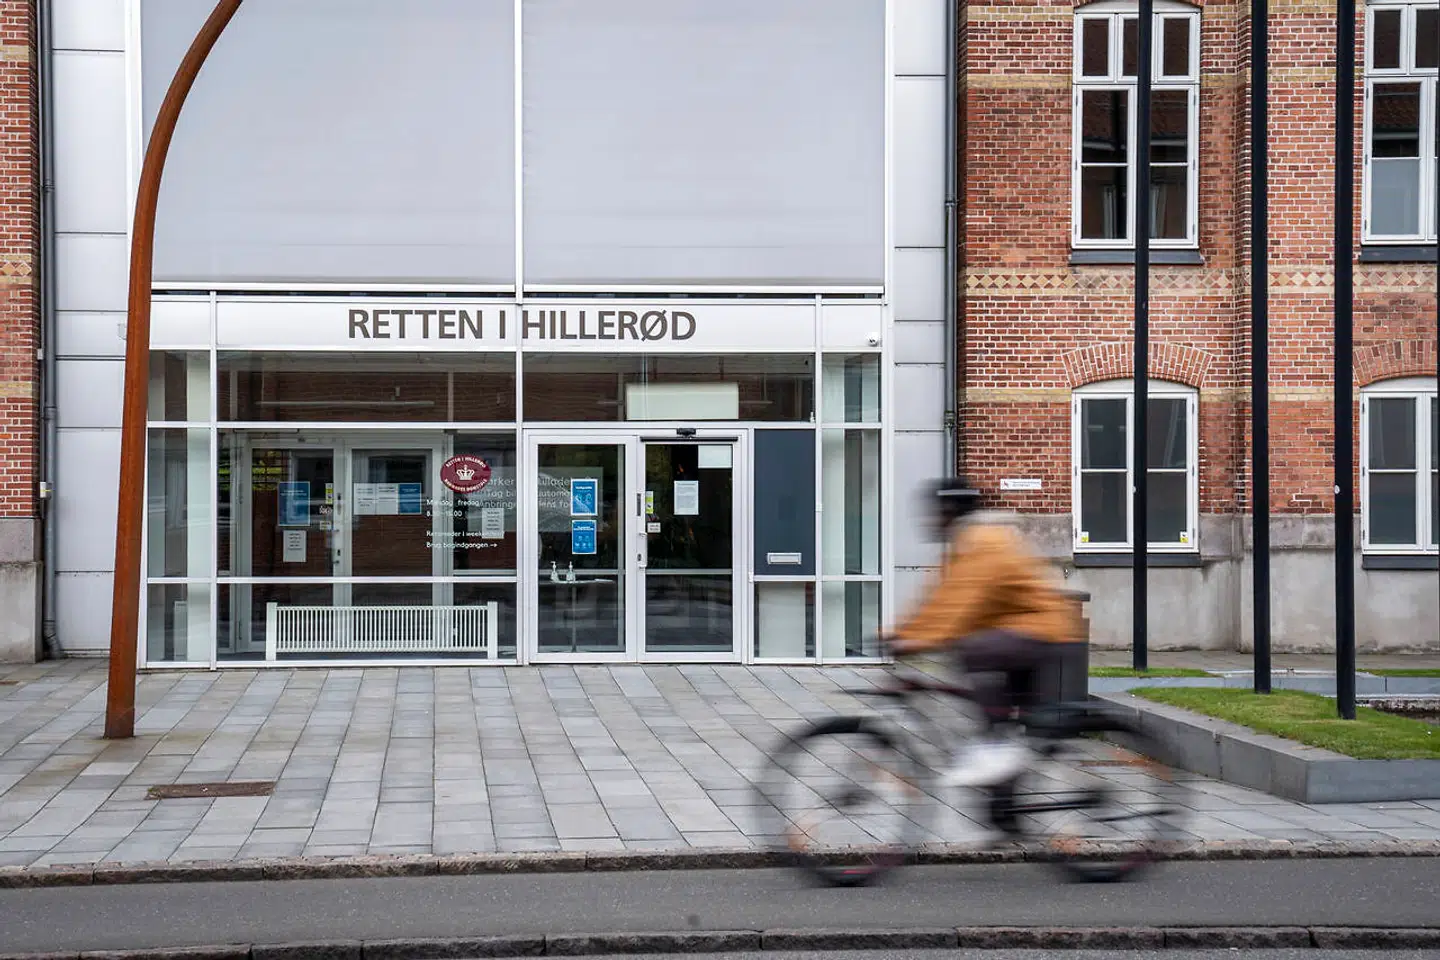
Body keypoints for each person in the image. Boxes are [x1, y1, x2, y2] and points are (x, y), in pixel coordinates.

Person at [883, 477, 1084, 789]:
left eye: (934, 511)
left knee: (974, 650)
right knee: (1007, 727)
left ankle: (996, 747)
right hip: (1021, 635)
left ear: (950, 510)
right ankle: (1005, 808)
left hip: (1043, 631)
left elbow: (959, 607)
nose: (929, 519)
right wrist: (899, 633)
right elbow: (938, 601)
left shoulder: (983, 541)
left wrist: (917, 642)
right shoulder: (962, 547)